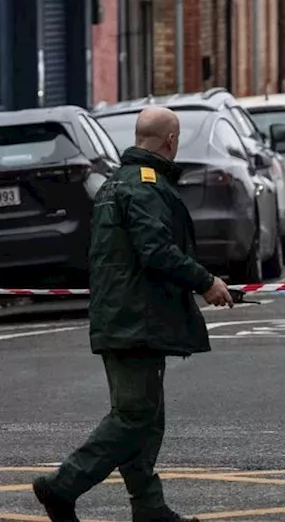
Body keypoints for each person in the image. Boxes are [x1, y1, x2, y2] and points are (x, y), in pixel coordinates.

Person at [33, 107, 234, 522]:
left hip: (124, 317)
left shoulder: (113, 184)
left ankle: (150, 507)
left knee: (145, 418)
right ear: (171, 142)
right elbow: (155, 250)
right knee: (133, 417)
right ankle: (62, 486)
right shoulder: (145, 187)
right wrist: (206, 282)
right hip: (136, 320)